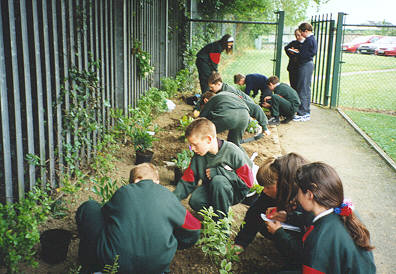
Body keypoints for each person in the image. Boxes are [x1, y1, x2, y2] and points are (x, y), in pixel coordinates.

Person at [75, 163, 201, 273]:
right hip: (157, 267)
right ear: (156, 181)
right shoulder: (168, 196)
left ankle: (88, 266)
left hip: (114, 264)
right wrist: (174, 243)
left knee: (89, 207)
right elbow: (194, 228)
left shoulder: (124, 192)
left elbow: (105, 218)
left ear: (135, 181)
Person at [274, 162, 376, 273]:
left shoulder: (319, 237)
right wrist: (288, 217)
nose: (297, 196)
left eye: (298, 190)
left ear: (309, 195)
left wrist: (279, 233)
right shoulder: (345, 210)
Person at [234, 153, 311, 268]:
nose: (264, 191)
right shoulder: (277, 191)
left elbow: (310, 247)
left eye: (268, 187)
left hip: (305, 248)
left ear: (285, 184)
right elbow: (255, 211)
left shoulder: (306, 201)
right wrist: (241, 242)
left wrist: (279, 233)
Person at [173, 118, 254, 219]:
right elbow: (188, 180)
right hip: (211, 187)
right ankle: (216, 211)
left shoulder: (233, 153)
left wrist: (219, 172)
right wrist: (171, 199)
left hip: (234, 191)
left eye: (194, 144)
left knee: (218, 181)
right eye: (190, 145)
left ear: (208, 139)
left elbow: (248, 183)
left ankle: (221, 223)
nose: (192, 149)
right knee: (195, 201)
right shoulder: (199, 156)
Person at [207, 71, 270, 137]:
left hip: (244, 102)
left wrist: (265, 127)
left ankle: (257, 127)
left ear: (219, 84)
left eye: (211, 87)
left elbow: (256, 108)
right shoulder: (217, 89)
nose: (210, 89)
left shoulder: (230, 92)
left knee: (245, 115)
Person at [293, 22, 317, 122]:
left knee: (303, 88)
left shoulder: (309, 40)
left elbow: (309, 53)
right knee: (305, 88)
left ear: (305, 31)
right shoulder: (310, 40)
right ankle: (305, 111)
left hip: (306, 64)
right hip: (307, 64)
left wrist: (298, 53)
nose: (301, 35)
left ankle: (303, 112)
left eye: (301, 32)